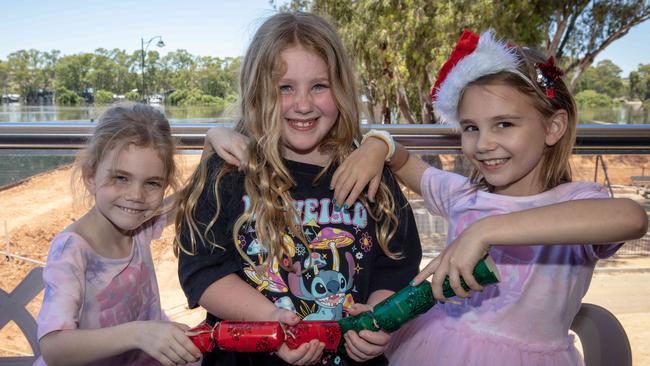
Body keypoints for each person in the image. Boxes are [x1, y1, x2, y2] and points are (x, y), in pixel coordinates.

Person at [329, 29, 648, 365]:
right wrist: (377, 144)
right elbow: (404, 160)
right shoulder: (463, 195)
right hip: (434, 348)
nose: (483, 144)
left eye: (504, 124)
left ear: (553, 128)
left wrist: (485, 230)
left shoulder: (576, 202)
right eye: (471, 128)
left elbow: (631, 218)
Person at [174, 12, 422, 366]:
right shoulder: (228, 172)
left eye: (319, 86)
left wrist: (379, 319)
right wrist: (272, 321)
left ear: (341, 89)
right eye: (284, 87)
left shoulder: (369, 172)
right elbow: (203, 272)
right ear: (256, 92)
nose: (303, 104)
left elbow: (397, 264)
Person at [35, 102, 203, 366]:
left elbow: (189, 196)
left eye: (152, 183)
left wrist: (214, 143)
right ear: (90, 176)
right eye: (121, 178)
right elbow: (54, 348)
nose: (136, 196)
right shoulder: (72, 249)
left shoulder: (140, 227)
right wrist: (138, 333)